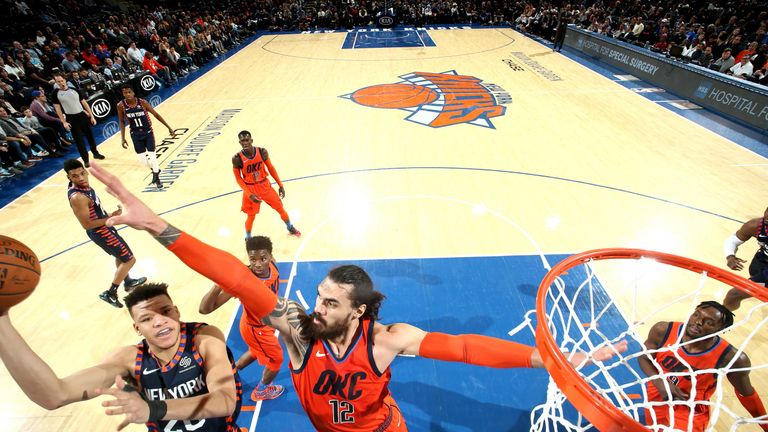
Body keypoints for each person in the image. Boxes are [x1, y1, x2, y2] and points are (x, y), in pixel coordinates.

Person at [87, 163, 628, 431]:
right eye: (319, 297)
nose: (315, 308)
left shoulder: (389, 340)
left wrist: (550, 359)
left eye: (330, 303)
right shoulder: (298, 333)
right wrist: (158, 225)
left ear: (359, 310)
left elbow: (465, 349)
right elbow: (237, 278)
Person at [0, 283, 243, 431]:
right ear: (137, 328)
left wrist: (151, 409)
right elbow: (54, 395)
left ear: (177, 312)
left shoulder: (204, 337)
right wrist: (2, 319)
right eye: (147, 319)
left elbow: (224, 401)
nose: (159, 321)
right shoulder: (128, 360)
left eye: (165, 311)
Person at [638, 301, 767, 432]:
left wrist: (765, 424)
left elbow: (746, 394)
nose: (698, 322)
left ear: (719, 330)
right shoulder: (663, 330)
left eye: (709, 322)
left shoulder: (732, 358)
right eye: (696, 315)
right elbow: (644, 358)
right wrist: (659, 381)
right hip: (657, 393)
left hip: (690, 408)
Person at [199, 235, 285, 401]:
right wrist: (217, 285)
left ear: (270, 256)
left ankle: (230, 372)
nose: (258, 264)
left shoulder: (272, 264)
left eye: (263, 258)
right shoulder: (241, 283)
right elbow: (204, 309)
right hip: (256, 329)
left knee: (255, 351)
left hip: (263, 323)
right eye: (253, 259)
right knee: (276, 359)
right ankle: (260, 392)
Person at [64, 159, 146, 307]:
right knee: (130, 260)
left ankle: (128, 282)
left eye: (82, 173)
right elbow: (87, 224)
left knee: (120, 256)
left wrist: (110, 214)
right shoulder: (78, 197)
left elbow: (94, 213)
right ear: (69, 178)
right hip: (101, 232)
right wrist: (113, 218)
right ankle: (110, 293)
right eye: (75, 176)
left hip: (104, 227)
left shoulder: (85, 188)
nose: (81, 178)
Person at [232, 130, 301, 239]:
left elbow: (271, 168)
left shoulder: (262, 152)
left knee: (280, 209)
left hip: (265, 186)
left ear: (251, 140)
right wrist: (249, 194)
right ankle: (248, 237)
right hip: (250, 189)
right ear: (239, 142)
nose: (245, 143)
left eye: (247, 140)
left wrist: (280, 185)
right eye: (242, 141)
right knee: (251, 216)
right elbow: (238, 179)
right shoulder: (237, 158)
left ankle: (290, 227)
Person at [117, 85, 174, 189]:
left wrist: (169, 127)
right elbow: (121, 121)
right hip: (135, 134)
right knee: (142, 160)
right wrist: (122, 137)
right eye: (125, 93)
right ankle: (155, 170)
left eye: (129, 92)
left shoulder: (143, 102)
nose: (127, 94)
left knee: (153, 156)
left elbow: (156, 115)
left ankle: (157, 178)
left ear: (133, 93)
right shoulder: (120, 105)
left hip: (147, 132)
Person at [52, 72, 104, 167]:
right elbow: (57, 109)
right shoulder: (55, 93)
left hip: (82, 115)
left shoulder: (74, 90)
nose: (60, 83)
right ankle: (85, 160)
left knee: (90, 136)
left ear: (65, 80)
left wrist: (91, 116)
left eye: (61, 81)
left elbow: (84, 103)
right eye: (58, 82)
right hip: (71, 118)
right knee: (79, 141)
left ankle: (95, 153)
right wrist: (64, 122)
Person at [723, 207, 768, 311]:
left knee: (733, 295)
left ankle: (722, 323)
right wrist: (730, 256)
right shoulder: (756, 225)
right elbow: (732, 241)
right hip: (761, 262)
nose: (767, 216)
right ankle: (725, 323)